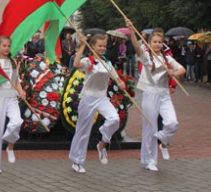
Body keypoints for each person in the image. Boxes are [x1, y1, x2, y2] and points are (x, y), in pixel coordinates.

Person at [127, 22, 185, 172]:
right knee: (149, 127)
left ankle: (163, 138)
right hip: (150, 93)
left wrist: (173, 73)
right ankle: (149, 160)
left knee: (172, 122)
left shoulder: (167, 58)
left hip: (164, 94)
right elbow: (137, 47)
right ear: (150, 43)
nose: (158, 44)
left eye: (160, 42)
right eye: (155, 42)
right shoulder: (146, 56)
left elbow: (182, 69)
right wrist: (132, 31)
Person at [68, 33, 126, 173]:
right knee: (83, 131)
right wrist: (82, 45)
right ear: (92, 46)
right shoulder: (88, 61)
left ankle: (102, 144)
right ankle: (77, 161)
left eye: (104, 46)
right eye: (99, 46)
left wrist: (121, 83)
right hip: (88, 98)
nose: (102, 48)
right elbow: (76, 64)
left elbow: (116, 78)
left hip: (102, 98)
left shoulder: (107, 63)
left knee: (114, 119)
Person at [0, 36, 26, 174]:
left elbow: (16, 81)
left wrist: (21, 92)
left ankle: (10, 146)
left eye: (8, 46)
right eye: (4, 46)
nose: (6, 48)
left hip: (11, 97)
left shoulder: (13, 62)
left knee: (17, 121)